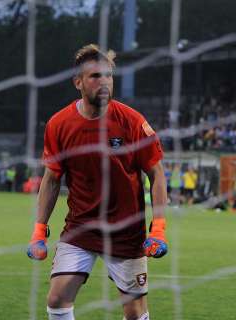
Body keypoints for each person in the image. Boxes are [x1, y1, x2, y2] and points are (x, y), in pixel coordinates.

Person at [26, 44, 168, 320]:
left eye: (108, 76)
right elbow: (52, 179)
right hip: (82, 227)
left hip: (126, 231)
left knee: (135, 313)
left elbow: (157, 174)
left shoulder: (132, 122)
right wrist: (39, 230)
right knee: (57, 299)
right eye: (95, 77)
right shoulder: (58, 125)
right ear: (78, 82)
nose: (104, 82)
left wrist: (158, 229)